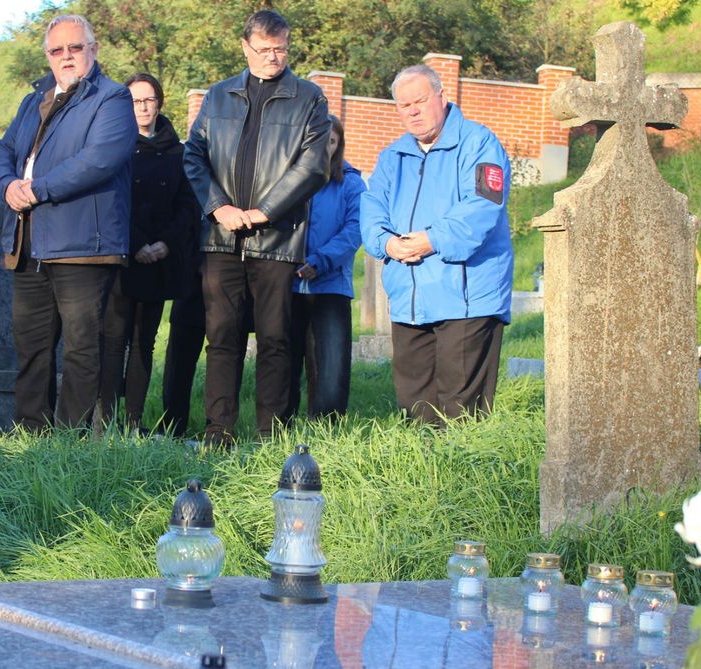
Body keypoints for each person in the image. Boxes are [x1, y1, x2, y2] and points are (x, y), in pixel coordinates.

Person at [183, 9, 331, 447]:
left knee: (275, 338)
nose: (273, 57)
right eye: (264, 49)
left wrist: (266, 210)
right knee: (222, 337)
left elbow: (314, 166)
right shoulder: (218, 95)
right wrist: (218, 207)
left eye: (281, 49)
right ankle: (219, 433)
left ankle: (272, 436)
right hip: (221, 238)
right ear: (245, 47)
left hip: (278, 239)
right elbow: (193, 156)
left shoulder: (310, 97)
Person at [0, 14, 136, 431]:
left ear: (93, 49)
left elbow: (98, 160)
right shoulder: (33, 98)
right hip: (28, 239)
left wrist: (36, 189)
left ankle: (69, 442)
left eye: (75, 47)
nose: (66, 56)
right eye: (57, 50)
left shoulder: (112, 98)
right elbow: (3, 149)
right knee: (31, 347)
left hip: (82, 244)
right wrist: (7, 186)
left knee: (80, 348)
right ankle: (30, 435)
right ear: (48, 56)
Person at [360, 64, 512, 426]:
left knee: (461, 413)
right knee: (415, 409)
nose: (412, 110)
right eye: (403, 105)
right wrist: (386, 244)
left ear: (442, 97)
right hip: (409, 298)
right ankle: (422, 479)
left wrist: (431, 240)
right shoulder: (391, 157)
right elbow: (370, 209)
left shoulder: (479, 143)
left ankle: (462, 481)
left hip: (467, 297)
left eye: (419, 100)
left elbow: (482, 205)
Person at [97, 72, 199, 433]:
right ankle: (103, 424)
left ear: (159, 103)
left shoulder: (179, 152)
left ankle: (133, 421)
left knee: (144, 341)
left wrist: (164, 244)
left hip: (160, 259)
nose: (142, 107)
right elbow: (111, 200)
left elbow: (188, 206)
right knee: (113, 341)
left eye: (148, 100)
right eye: (135, 101)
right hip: (123, 256)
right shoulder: (113, 145)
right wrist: (137, 242)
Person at [284, 115, 365, 421]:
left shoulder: (352, 183)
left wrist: (320, 261)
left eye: (332, 141)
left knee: (331, 363)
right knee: (285, 362)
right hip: (289, 283)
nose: (325, 147)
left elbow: (354, 230)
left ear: (338, 145)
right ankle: (281, 426)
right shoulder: (290, 180)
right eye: (320, 140)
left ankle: (327, 429)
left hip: (331, 285)